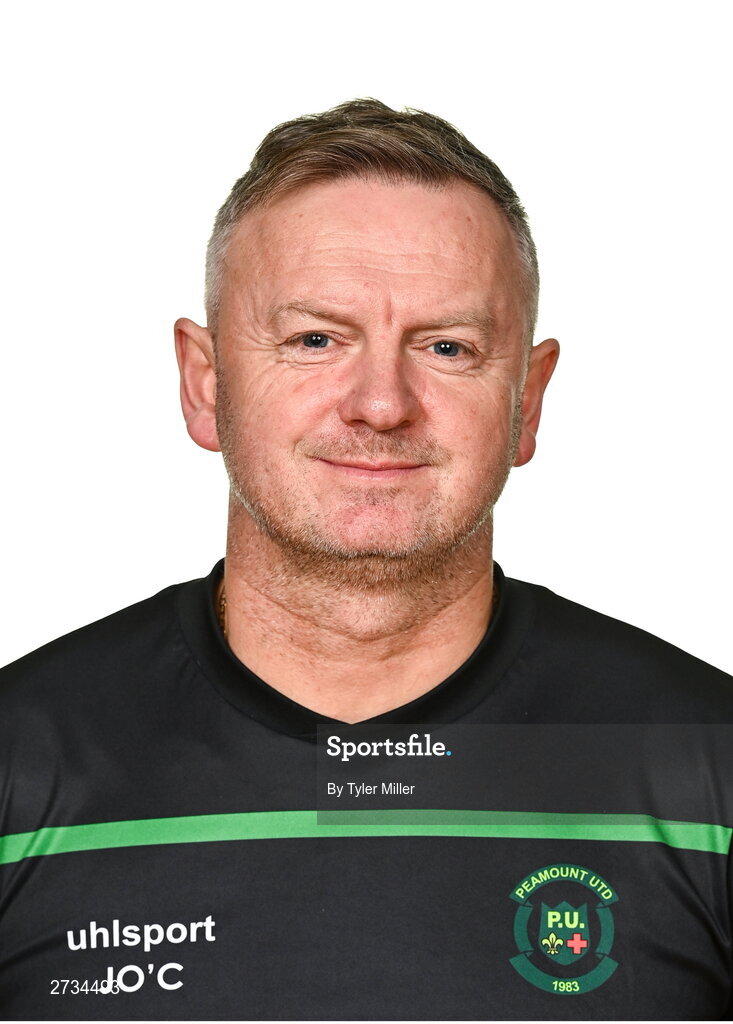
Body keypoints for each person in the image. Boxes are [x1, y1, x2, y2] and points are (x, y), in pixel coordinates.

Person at [0, 99, 731, 1021]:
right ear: (205, 381)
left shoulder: (706, 768)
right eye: (315, 340)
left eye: (447, 347)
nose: (381, 405)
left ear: (527, 401)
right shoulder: (21, 764)